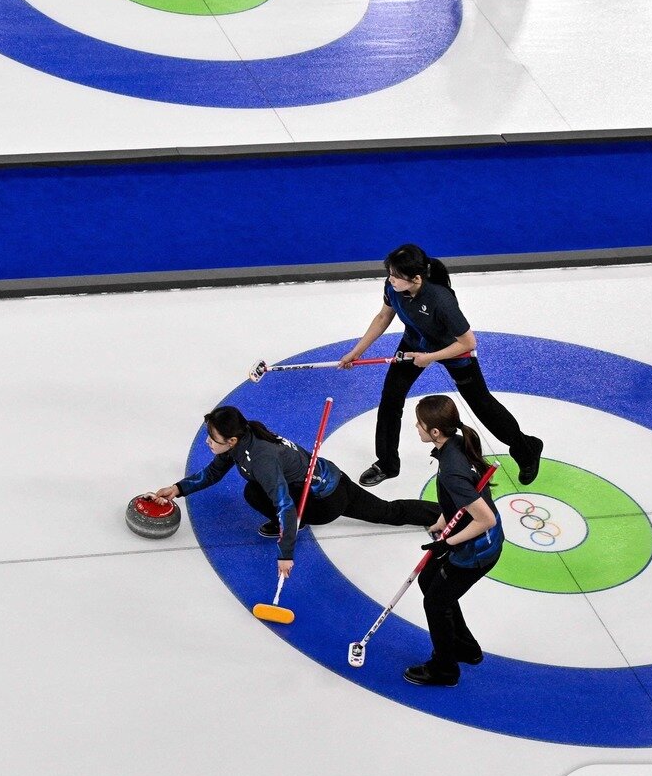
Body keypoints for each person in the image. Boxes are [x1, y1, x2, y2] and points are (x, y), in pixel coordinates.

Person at [149, 406, 439, 581]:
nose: (209, 442)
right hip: (330, 477)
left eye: (213, 438)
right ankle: (437, 513)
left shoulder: (260, 458)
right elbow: (213, 472)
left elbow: (285, 505)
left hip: (325, 500)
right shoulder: (244, 440)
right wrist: (177, 489)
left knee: (254, 492)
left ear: (232, 439)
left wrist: (285, 553)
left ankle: (444, 513)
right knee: (385, 511)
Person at [338, 243, 543, 487]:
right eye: (389, 272)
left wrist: (431, 357)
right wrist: (356, 352)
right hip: (414, 342)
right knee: (391, 398)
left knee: (482, 405)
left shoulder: (440, 300)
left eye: (395, 274)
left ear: (415, 278)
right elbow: (384, 316)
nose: (390, 278)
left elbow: (467, 342)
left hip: (452, 350)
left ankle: (526, 448)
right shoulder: (393, 286)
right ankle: (387, 463)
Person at [405, 394, 504, 687]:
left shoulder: (452, 470)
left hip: (476, 550)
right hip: (471, 539)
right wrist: (443, 521)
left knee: (435, 603)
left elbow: (486, 519)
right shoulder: (456, 444)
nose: (417, 427)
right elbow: (462, 502)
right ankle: (464, 647)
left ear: (435, 431)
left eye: (420, 424)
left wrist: (447, 543)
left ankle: (444, 669)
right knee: (429, 582)